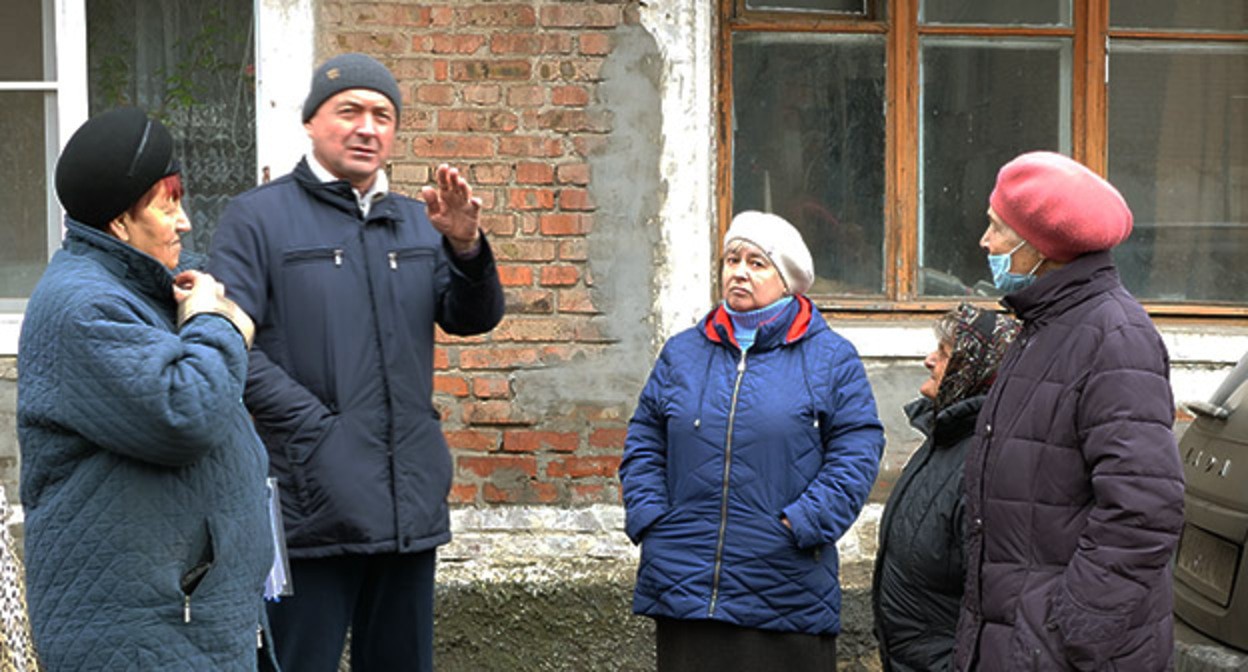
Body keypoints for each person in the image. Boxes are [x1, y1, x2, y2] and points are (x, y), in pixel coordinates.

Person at [208, 52, 505, 672]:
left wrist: (465, 246)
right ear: (311, 122)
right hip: (309, 505)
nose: (367, 128)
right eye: (350, 111)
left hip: (407, 503)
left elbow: (471, 318)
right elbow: (231, 344)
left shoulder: (419, 222)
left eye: (382, 116)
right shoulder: (258, 219)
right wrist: (318, 431)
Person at [17, 107, 273, 670]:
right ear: (119, 223)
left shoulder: (139, 290)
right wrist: (219, 323)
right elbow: (187, 411)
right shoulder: (83, 308)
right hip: (141, 638)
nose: (185, 222)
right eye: (168, 204)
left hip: (184, 625)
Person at [619, 210, 884, 671]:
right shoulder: (683, 353)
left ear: (786, 280)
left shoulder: (830, 358)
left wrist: (801, 524)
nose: (739, 272)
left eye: (757, 263)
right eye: (732, 260)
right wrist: (652, 519)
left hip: (783, 584)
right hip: (685, 585)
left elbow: (857, 452)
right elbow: (644, 439)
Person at [954, 151, 1185, 670]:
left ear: (1042, 246)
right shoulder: (1045, 324)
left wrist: (1069, 630)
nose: (985, 242)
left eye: (997, 228)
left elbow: (1144, 508)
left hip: (1061, 651)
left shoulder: (1114, 336)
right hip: (1020, 640)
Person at [873, 303, 1020, 672]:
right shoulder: (945, 437)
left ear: (976, 371)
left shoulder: (986, 463)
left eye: (944, 353)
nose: (929, 360)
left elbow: (996, 603)